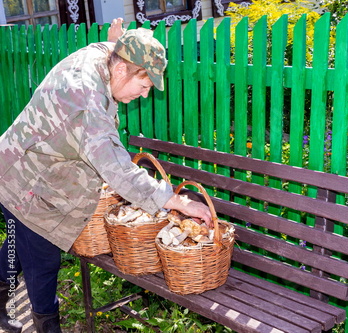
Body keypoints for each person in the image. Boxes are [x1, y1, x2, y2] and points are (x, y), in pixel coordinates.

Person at [0, 19, 212, 333]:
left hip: (26, 166)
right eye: (144, 87)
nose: (143, 95)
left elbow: (114, 47)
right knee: (43, 262)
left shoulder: (104, 57)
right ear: (123, 70)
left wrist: (118, 39)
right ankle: (48, 326)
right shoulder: (85, 101)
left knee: (19, 245)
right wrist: (178, 202)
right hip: (26, 186)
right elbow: (118, 170)